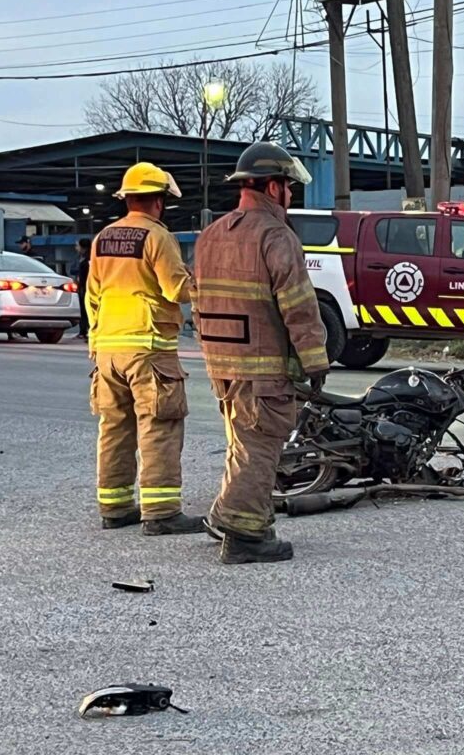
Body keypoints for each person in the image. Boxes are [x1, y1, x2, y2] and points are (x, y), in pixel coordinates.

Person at [193, 142, 329, 564]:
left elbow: (198, 301)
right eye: (288, 187)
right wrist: (315, 359)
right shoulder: (276, 235)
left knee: (242, 444)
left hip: (223, 366)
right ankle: (245, 535)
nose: (290, 195)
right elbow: (299, 305)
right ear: (273, 187)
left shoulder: (211, 234)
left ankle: (225, 515)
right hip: (265, 367)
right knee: (262, 448)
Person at [86, 162, 205, 536]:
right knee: (160, 426)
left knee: (114, 427)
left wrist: (95, 341)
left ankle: (115, 506)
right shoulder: (157, 237)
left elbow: (92, 296)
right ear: (157, 201)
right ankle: (161, 512)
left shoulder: (103, 238)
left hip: (107, 349)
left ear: (128, 199)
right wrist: (202, 285)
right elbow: (175, 289)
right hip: (149, 347)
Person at [75, 238, 92, 341]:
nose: (76, 248)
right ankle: (83, 331)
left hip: (87, 288)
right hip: (84, 287)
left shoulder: (88, 259)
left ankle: (86, 331)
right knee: (84, 310)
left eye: (77, 246)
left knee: (86, 310)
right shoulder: (83, 258)